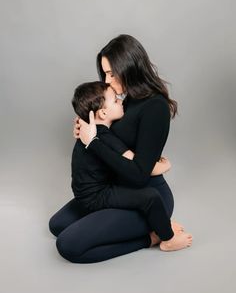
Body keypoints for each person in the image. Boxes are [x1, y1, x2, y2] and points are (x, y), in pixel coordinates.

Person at [49, 34, 193, 263]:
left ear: (129, 67)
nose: (107, 81)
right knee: (57, 225)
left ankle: (152, 237)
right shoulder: (128, 100)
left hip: (146, 198)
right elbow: (112, 136)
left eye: (111, 73)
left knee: (68, 246)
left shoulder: (155, 108)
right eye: (105, 73)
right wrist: (86, 127)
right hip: (113, 191)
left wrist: (93, 142)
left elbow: (138, 174)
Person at [70, 80, 192, 252]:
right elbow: (139, 166)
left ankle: (161, 230)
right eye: (115, 101)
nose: (121, 100)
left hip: (85, 194)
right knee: (151, 197)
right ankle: (165, 238)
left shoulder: (89, 129)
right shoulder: (104, 137)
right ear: (103, 113)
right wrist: (166, 165)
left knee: (61, 229)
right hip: (98, 196)